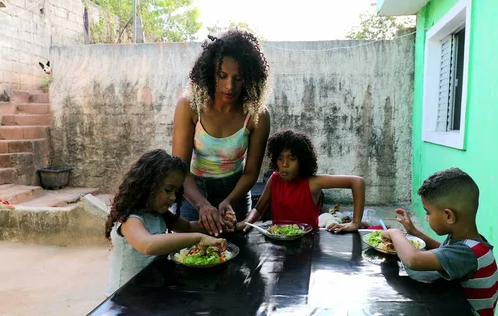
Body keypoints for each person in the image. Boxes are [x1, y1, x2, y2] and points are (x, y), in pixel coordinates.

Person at [172, 29, 271, 237]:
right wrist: (202, 205)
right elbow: (179, 168)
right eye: (222, 76)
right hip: (193, 195)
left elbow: (251, 172)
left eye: (239, 78)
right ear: (209, 72)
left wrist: (229, 201)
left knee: (238, 258)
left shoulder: (257, 116)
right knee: (191, 258)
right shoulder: (189, 107)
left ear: (251, 78)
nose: (230, 86)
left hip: (236, 196)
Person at [105, 149, 226, 296]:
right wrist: (199, 239)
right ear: (147, 185)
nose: (173, 197)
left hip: (150, 290)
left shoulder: (159, 213)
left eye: (176, 191)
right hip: (124, 298)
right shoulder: (131, 219)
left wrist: (221, 223)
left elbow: (187, 227)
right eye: (168, 190)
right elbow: (148, 245)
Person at [382, 168, 498, 316]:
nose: (426, 218)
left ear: (449, 216)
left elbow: (413, 260)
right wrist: (415, 233)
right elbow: (445, 252)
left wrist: (395, 233)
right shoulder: (471, 242)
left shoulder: (467, 253)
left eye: (428, 212)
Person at [236, 129, 366, 233]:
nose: (285, 164)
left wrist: (355, 222)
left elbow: (357, 182)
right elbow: (258, 209)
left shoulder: (313, 183)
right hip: (280, 246)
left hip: (309, 247)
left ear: (302, 161)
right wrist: (247, 222)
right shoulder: (275, 178)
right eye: (280, 158)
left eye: (291, 158)